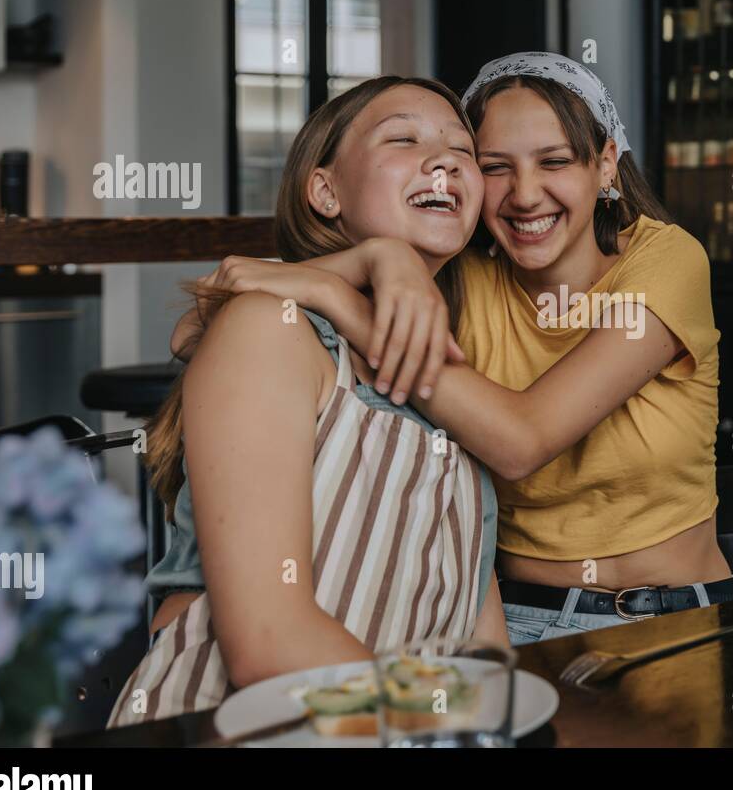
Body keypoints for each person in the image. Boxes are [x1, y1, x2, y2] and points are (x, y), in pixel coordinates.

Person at [188, 53, 733, 647]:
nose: (526, 196)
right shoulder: (459, 277)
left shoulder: (666, 259)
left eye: (554, 161)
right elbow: (197, 331)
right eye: (495, 167)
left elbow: (521, 441)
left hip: (678, 618)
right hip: (514, 623)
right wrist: (373, 259)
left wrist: (340, 297)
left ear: (606, 165)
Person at [108, 76, 504, 728]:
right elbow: (268, 647)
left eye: (463, 151)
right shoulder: (273, 329)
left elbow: (480, 642)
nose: (445, 160)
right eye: (404, 138)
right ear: (324, 190)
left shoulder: (455, 389)